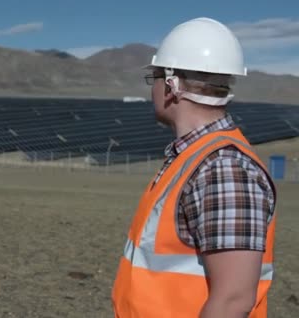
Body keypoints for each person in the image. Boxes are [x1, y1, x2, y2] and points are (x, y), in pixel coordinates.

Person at [111, 17, 277, 317]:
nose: (153, 89)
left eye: (156, 78)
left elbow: (232, 301)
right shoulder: (196, 159)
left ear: (172, 85)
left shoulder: (223, 169)